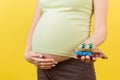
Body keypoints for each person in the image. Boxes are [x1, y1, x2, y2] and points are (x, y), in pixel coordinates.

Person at [24, 0, 108, 80]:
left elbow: (101, 30)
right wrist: (27, 52)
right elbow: (35, 23)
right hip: (43, 67)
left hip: (73, 65)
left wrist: (85, 47)